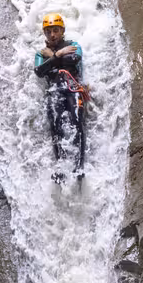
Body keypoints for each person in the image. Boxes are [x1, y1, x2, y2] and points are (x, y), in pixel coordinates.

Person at [34, 12, 86, 178]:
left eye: (55, 30)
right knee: (55, 126)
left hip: (73, 89)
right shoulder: (41, 53)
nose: (52, 35)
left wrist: (54, 58)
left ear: (62, 30)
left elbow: (73, 59)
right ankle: (60, 167)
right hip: (54, 91)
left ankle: (79, 166)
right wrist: (57, 55)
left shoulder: (74, 45)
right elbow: (39, 71)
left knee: (77, 122)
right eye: (48, 32)